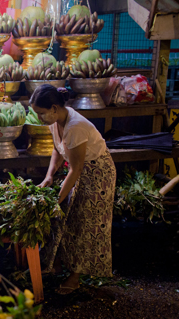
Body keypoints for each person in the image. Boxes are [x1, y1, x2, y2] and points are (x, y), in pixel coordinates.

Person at [29, 84, 116, 294]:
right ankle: (60, 265)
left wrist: (56, 201)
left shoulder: (75, 127)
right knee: (68, 217)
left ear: (54, 108)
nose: (39, 118)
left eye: (41, 113)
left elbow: (76, 170)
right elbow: (57, 150)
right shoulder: (56, 121)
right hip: (80, 170)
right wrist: (49, 176)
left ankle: (76, 277)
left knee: (85, 223)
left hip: (97, 173)